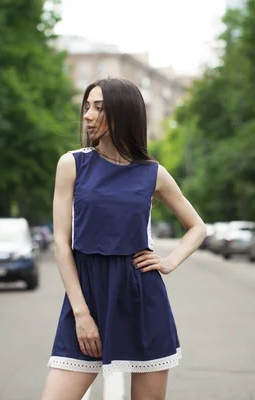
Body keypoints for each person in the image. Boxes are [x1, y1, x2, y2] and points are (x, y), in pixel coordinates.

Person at [41, 77, 207, 400]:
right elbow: (62, 242)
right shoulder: (72, 165)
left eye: (99, 108)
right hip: (88, 298)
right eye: (87, 106)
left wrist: (169, 262)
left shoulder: (152, 172)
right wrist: (81, 313)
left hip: (141, 300)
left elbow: (197, 226)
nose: (88, 115)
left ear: (123, 114)